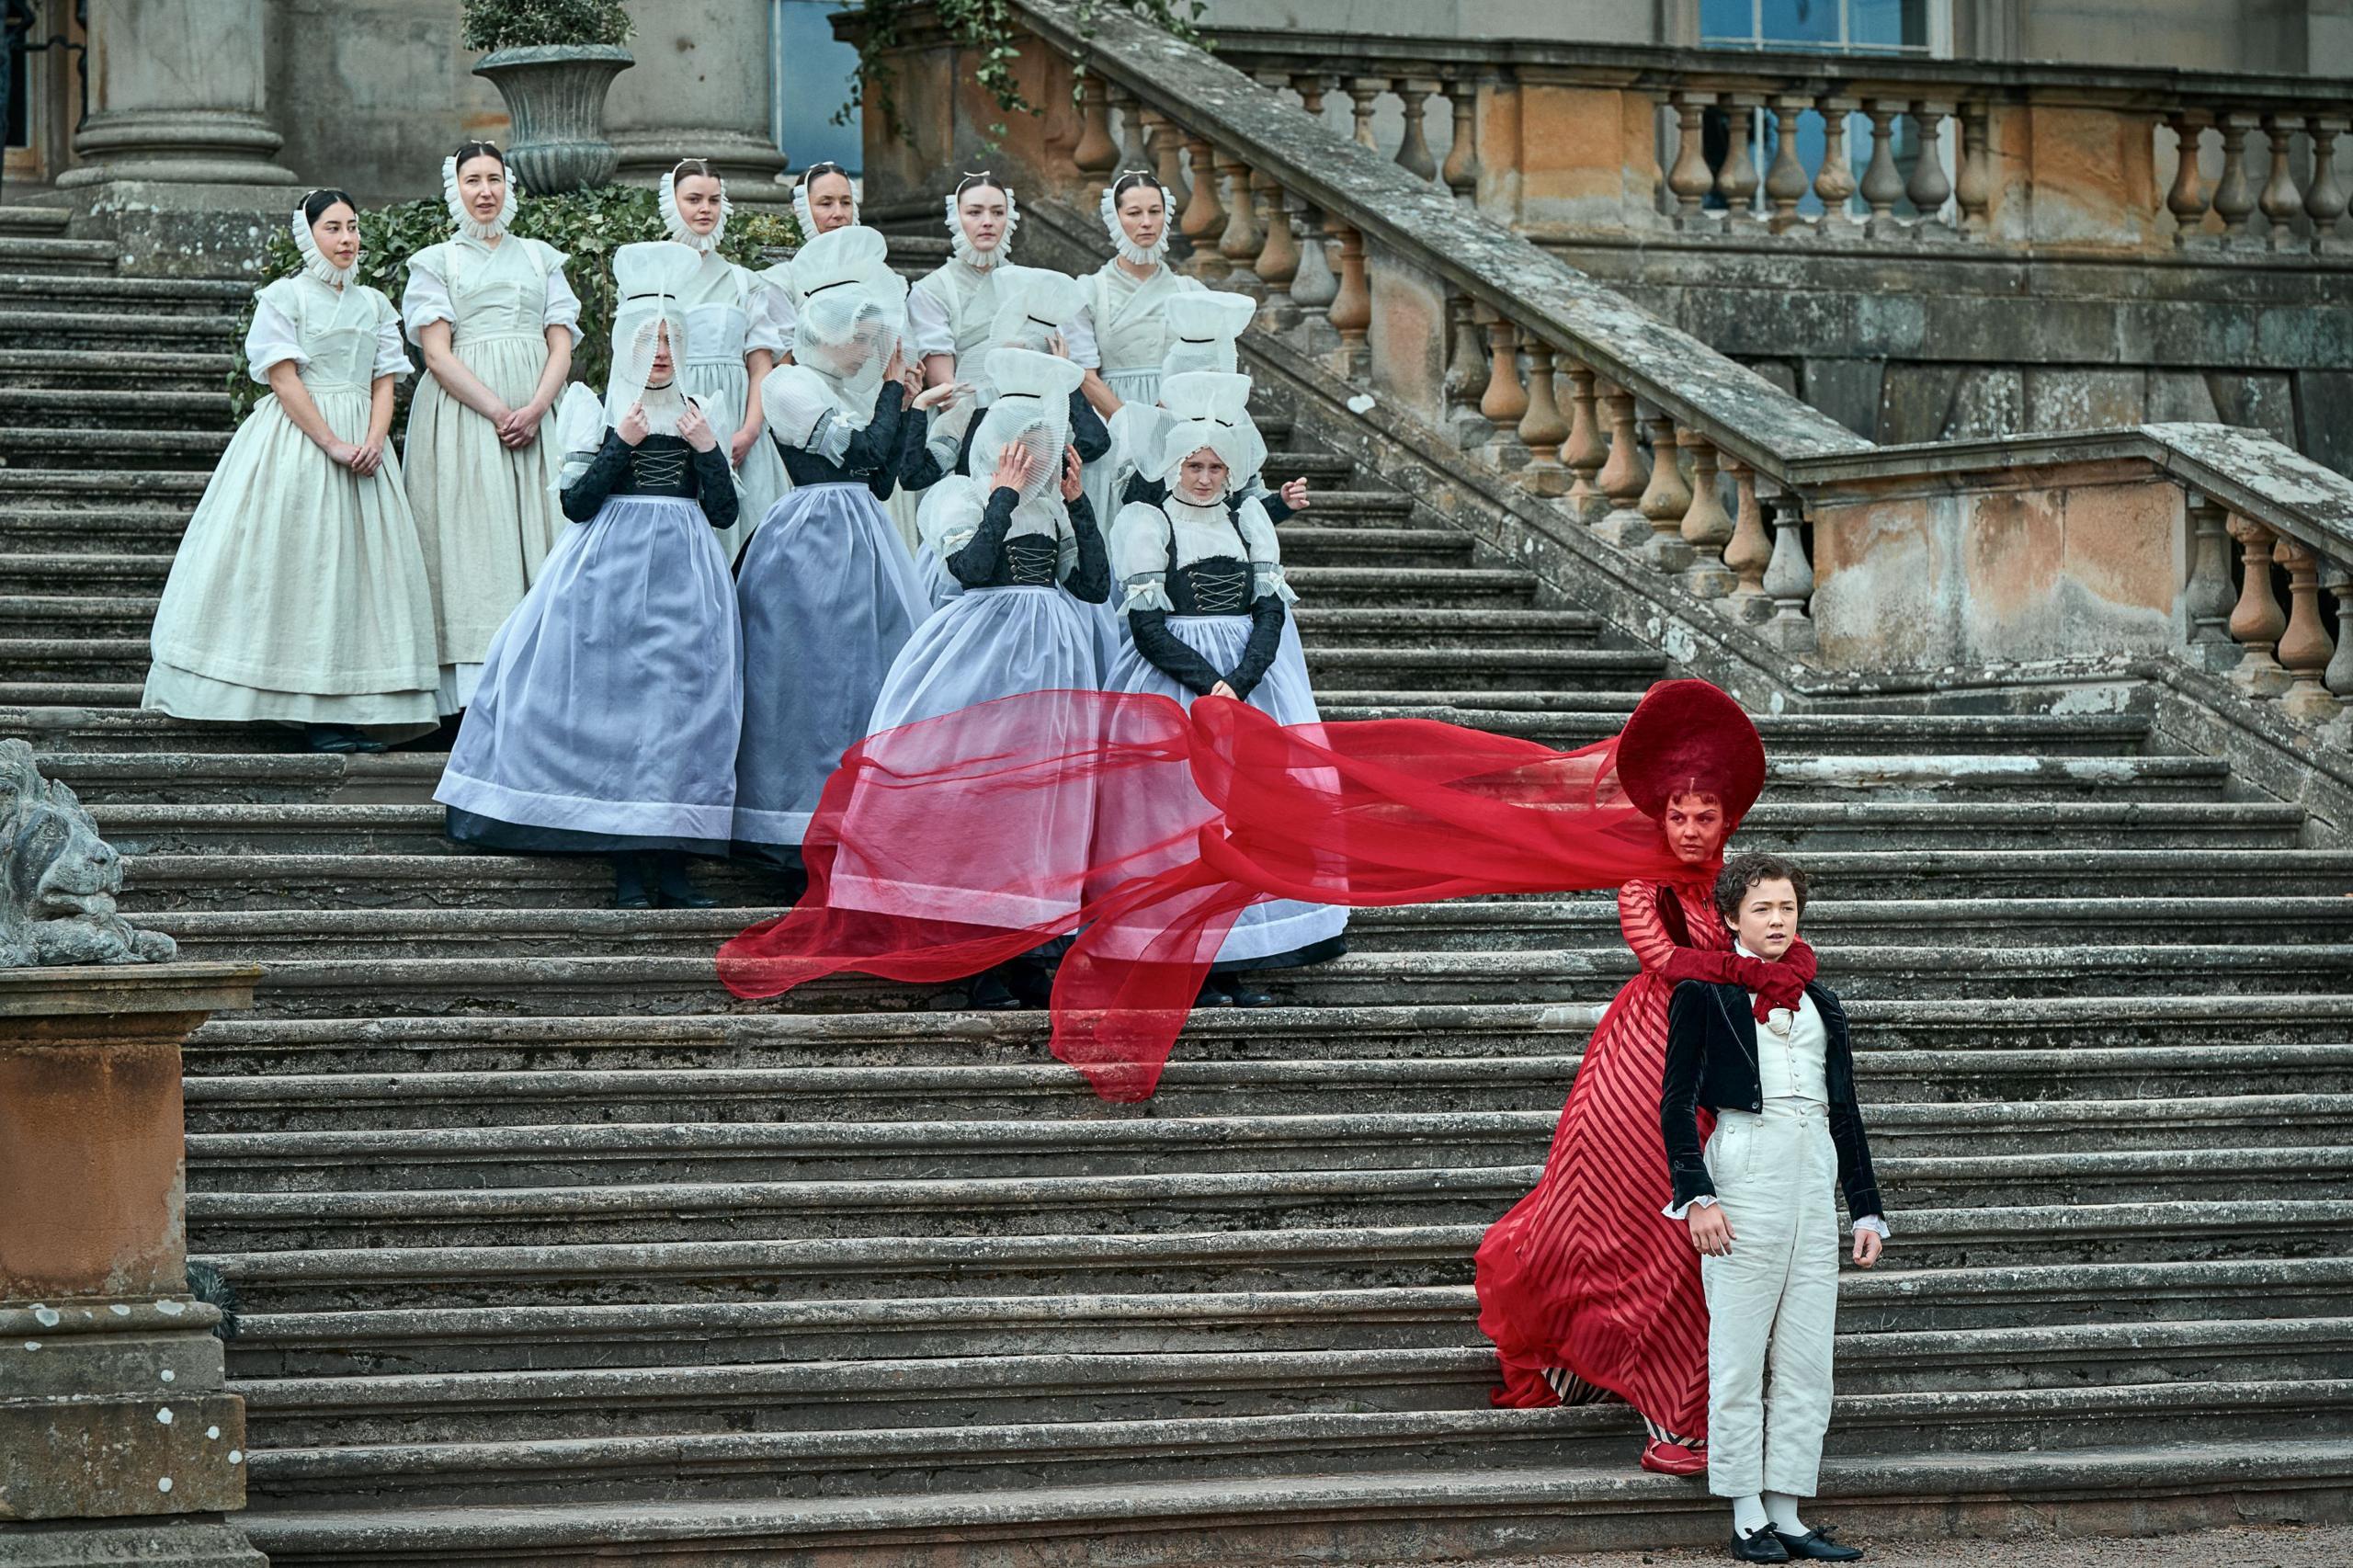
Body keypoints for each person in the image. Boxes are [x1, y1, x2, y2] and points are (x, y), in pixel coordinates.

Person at [719, 677, 1774, 1109]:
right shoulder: (1647, 869)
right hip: (1665, 1021)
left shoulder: (1721, 872)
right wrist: (1726, 963)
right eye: (1677, 817)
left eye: (1702, 820)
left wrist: (1771, 963)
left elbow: (1736, 923)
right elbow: (1651, 934)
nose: (1688, 830)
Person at [435, 242, 743, 911]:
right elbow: (577, 504)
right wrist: (621, 444)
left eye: (670, 339)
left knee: (680, 715)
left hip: (687, 576)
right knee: (620, 715)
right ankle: (627, 867)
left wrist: (708, 448)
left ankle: (676, 861)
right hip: (610, 572)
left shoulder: (699, 411)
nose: (660, 351)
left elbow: (722, 511)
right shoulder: (597, 410)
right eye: (647, 338)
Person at [142, 189, 438, 753]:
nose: (347, 238)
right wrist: (330, 442)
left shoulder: (374, 304)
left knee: (355, 575)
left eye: (353, 227)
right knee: (299, 566)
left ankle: (349, 706)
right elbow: (282, 378)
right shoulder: (285, 297)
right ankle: (287, 701)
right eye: (334, 228)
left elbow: (384, 380)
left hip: (362, 446)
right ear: (309, 235)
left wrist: (374, 441)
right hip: (300, 443)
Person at [1663, 852, 1886, 1563]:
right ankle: (1746, 1512)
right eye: (1762, 908)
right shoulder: (1703, 992)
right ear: (1730, 917)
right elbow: (1674, 1102)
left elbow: (1846, 1110)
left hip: (1812, 1173)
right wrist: (1696, 1195)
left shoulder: (1824, 1001)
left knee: (1806, 1358)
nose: (1777, 920)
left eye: (1787, 907)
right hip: (1745, 1167)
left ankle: (1788, 1511)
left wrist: (1866, 1210)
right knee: (1737, 1355)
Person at [870, 346, 1108, 1008]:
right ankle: (962, 960)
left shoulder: (1051, 507)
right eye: (1018, 445)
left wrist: (1078, 505)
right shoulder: (957, 495)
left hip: (1051, 663)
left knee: (1035, 806)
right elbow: (969, 571)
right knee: (972, 797)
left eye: (1040, 444)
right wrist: (1001, 497)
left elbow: (1092, 587)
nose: (1028, 456)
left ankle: (1027, 948)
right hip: (979, 654)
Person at [1101, 369, 1345, 1006]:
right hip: (1174, 686)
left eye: (1214, 466)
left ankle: (1236, 954)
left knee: (1246, 817)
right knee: (1179, 817)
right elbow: (1147, 627)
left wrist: (1241, 681)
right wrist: (1209, 684)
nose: (1204, 477)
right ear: (1174, 467)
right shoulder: (1148, 524)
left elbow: (1270, 612)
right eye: (1193, 466)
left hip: (1247, 685)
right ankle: (1183, 956)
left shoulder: (1249, 524)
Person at [731, 225, 952, 883]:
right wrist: (893, 392)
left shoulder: (846, 391)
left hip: (866, 536)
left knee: (870, 677)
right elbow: (856, 456)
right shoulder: (789, 386)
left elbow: (883, 478)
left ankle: (865, 819)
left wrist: (912, 405)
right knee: (807, 678)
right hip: (811, 537)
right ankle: (791, 824)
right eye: (859, 337)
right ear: (824, 332)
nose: (867, 350)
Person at [401, 140, 580, 718]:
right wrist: (498, 410)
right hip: (465, 417)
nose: (486, 191)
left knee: (542, 531)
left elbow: (561, 342)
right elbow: (436, 353)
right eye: (473, 180)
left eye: (495, 179)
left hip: (535, 411)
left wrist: (534, 408)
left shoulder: (539, 258)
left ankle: (543, 689)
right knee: (473, 541)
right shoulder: (437, 263)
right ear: (456, 190)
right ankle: (473, 695)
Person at [658, 157, 790, 563]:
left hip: (736, 417)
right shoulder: (655, 274)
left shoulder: (743, 281)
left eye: (714, 200)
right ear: (671, 202)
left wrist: (750, 430)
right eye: (694, 199)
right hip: (673, 414)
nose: (705, 209)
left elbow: (759, 365)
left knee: (749, 541)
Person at [1103, 290, 1308, 525]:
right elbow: (1133, 504)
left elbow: (1248, 509)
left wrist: (1281, 503)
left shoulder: (1237, 424)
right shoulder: (1149, 425)